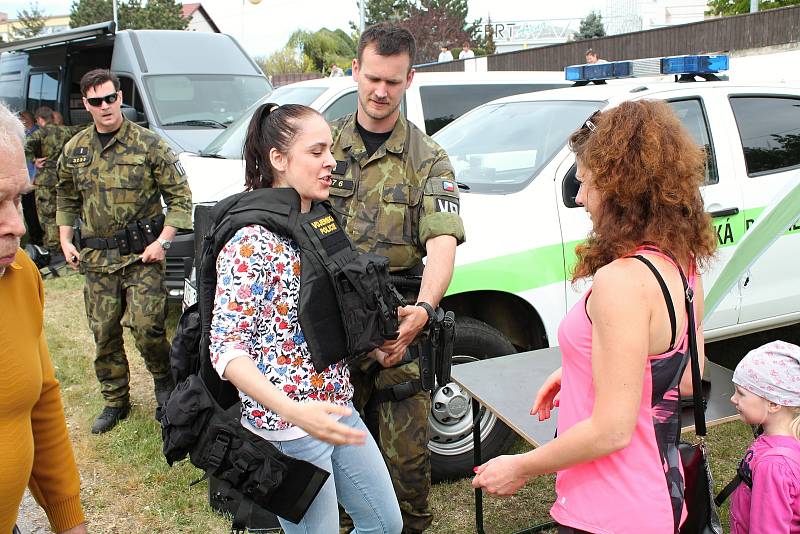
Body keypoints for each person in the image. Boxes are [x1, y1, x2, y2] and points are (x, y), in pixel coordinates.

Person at [471, 100, 717, 534]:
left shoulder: (620, 281)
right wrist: (581, 368)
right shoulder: (681, 265)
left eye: (585, 182)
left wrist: (521, 466)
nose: (581, 197)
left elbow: (611, 432)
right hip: (658, 498)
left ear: (620, 187)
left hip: (610, 511)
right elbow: (683, 378)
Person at [209, 102, 402, 534]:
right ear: (278, 159)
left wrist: (380, 332)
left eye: (330, 150)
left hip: (336, 404)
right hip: (288, 427)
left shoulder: (316, 220)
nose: (331, 162)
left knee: (385, 524)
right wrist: (296, 412)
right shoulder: (251, 241)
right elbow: (226, 349)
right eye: (316, 152)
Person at [330, 23, 464, 533]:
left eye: (392, 81)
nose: (380, 92)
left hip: (397, 321)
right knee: (336, 452)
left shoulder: (428, 159)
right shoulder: (323, 145)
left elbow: (442, 244)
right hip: (331, 324)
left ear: (409, 79)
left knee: (407, 464)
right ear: (355, 71)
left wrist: (423, 311)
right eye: (371, 79)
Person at [56, 68, 193, 434]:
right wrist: (66, 239)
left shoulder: (149, 144)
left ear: (121, 97)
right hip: (97, 259)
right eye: (97, 101)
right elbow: (67, 196)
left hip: (141, 255)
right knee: (104, 332)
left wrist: (163, 241)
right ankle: (115, 399)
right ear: (86, 104)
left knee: (148, 327)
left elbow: (180, 198)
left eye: (111, 98)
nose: (106, 107)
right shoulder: (76, 149)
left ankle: (164, 381)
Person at [0, 102, 88, 534]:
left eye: (18, 199)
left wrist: (67, 517)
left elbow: (40, 402)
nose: (17, 225)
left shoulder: (20, 274)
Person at [728, 340, 800, 533]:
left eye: (741, 393)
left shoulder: (773, 465)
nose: (733, 399)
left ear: (773, 404)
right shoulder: (788, 441)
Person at [26, 106, 82, 261]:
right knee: (66, 210)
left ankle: (54, 250)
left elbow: (24, 145)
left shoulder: (39, 133)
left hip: (45, 181)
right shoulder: (65, 131)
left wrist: (33, 160)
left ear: (39, 119)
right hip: (63, 177)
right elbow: (83, 130)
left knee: (48, 216)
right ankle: (70, 243)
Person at [19, 110, 45, 247]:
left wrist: (33, 178)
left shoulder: (36, 135)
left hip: (34, 182)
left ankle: (37, 240)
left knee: (32, 212)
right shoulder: (27, 135)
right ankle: (36, 239)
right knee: (29, 211)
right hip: (29, 180)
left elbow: (37, 160)